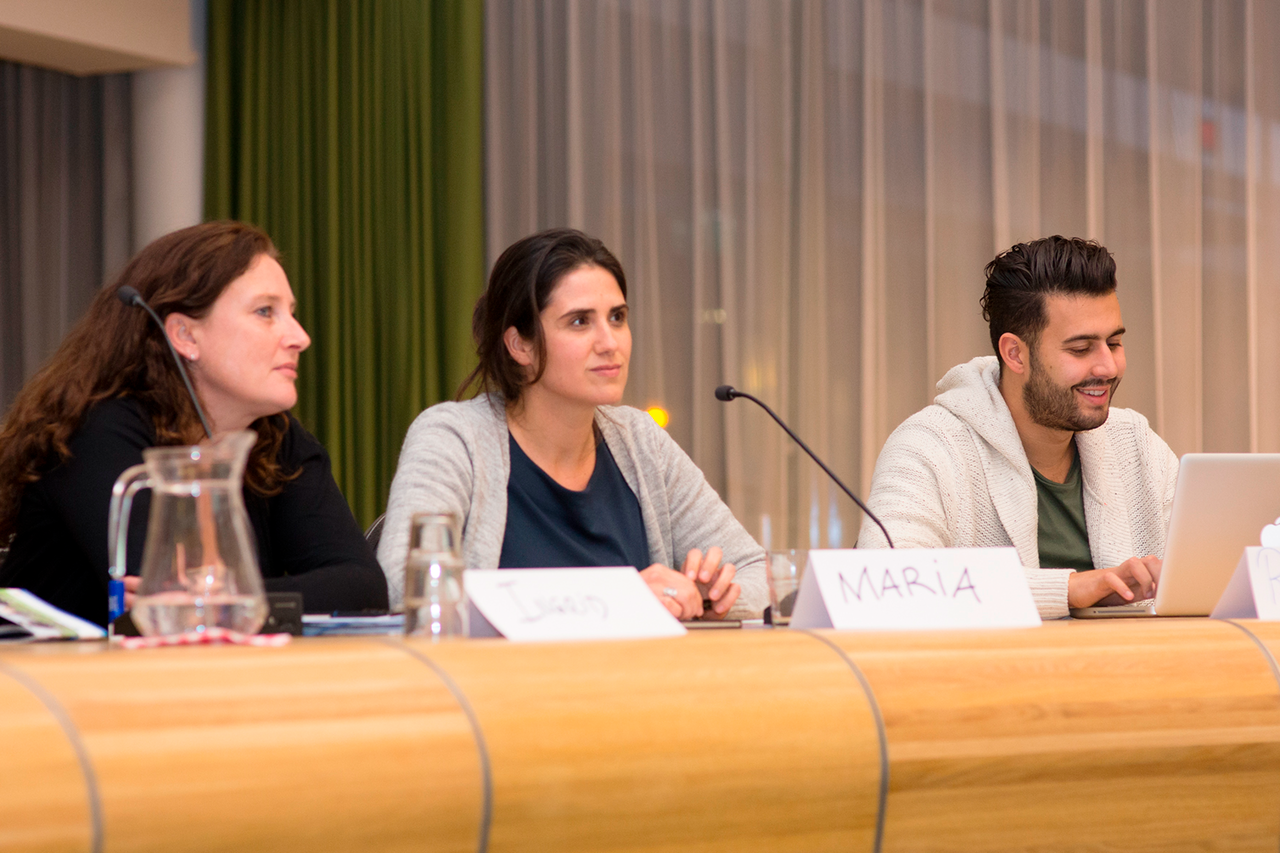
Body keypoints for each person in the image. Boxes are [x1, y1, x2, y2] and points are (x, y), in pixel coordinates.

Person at [0, 221, 388, 626]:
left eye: (290, 313)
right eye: (265, 312)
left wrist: (226, 600)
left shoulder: (277, 439)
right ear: (185, 335)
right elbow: (170, 609)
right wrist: (232, 601)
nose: (300, 336)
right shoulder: (96, 432)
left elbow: (362, 587)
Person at [378, 228, 766, 620]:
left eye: (617, 317)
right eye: (580, 321)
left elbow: (759, 577)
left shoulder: (641, 441)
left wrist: (704, 598)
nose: (609, 342)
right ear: (520, 346)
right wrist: (621, 596)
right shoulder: (453, 437)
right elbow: (405, 585)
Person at [857, 236, 1178, 619]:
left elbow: (1211, 569)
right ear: (1015, 354)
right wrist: (1071, 589)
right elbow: (884, 584)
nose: (1107, 367)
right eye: (1080, 349)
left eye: (1114, 343)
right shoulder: (929, 446)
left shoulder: (1136, 442)